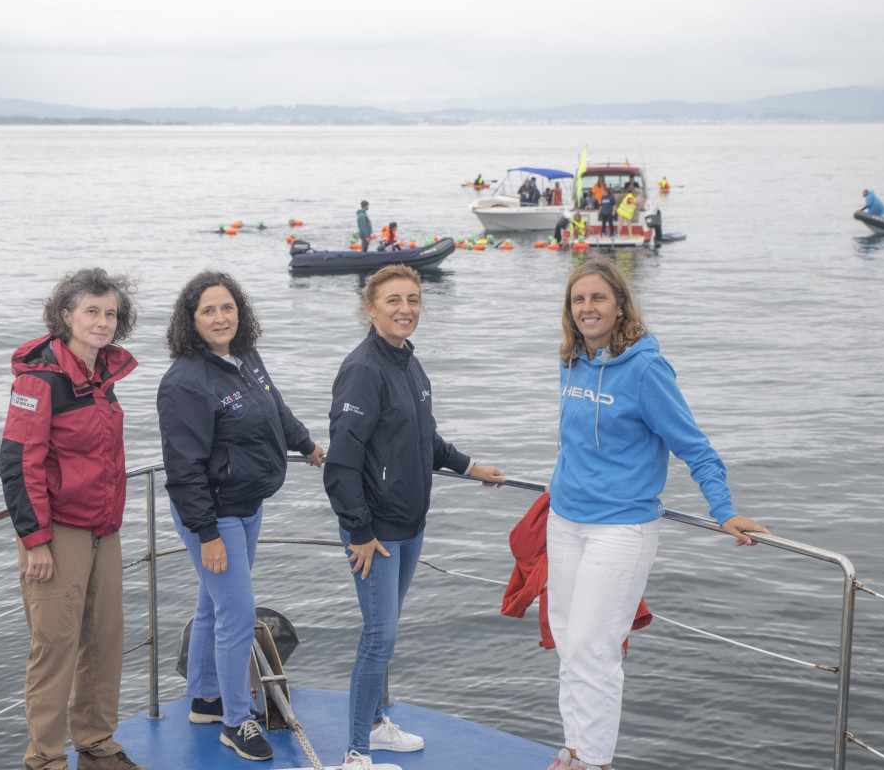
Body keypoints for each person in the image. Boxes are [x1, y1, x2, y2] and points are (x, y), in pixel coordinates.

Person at [544, 258, 769, 770]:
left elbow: (695, 446)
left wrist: (724, 509)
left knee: (593, 645)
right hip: (566, 521)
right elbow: (577, 443)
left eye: (598, 298)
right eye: (578, 299)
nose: (587, 308)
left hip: (620, 527)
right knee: (567, 639)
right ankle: (575, 748)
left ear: (620, 305)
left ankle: (595, 760)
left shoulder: (646, 369)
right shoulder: (571, 359)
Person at [324, 265, 507, 770]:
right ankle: (355, 752)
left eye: (413, 299)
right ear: (371, 307)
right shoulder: (364, 369)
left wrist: (470, 467)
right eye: (393, 300)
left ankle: (378, 726)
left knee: (388, 633)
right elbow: (341, 463)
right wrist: (359, 531)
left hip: (410, 524)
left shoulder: (407, 360)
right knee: (378, 636)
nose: (405, 308)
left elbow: (425, 439)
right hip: (375, 530)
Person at [158, 271, 325, 763]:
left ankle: (207, 699)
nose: (220, 317)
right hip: (213, 513)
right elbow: (183, 468)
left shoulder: (245, 358)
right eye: (208, 310)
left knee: (213, 607)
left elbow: (276, 408)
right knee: (237, 615)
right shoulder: (185, 382)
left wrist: (307, 444)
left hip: (248, 504)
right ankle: (236, 722)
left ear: (240, 312)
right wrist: (207, 533)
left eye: (227, 307)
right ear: (191, 320)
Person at [0, 268, 148, 770]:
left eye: (110, 313)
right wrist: (35, 540)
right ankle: (44, 759)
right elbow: (18, 463)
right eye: (91, 311)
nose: (103, 322)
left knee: (105, 641)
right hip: (57, 532)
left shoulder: (103, 375)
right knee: (55, 647)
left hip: (103, 530)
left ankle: (96, 742)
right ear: (65, 316)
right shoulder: (40, 380)